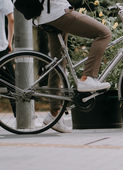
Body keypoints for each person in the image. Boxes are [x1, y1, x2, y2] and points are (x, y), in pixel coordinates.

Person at [37, 0, 112, 133]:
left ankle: (54, 115)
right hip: (58, 12)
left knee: (58, 65)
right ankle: (87, 78)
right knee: (104, 33)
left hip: (46, 15)